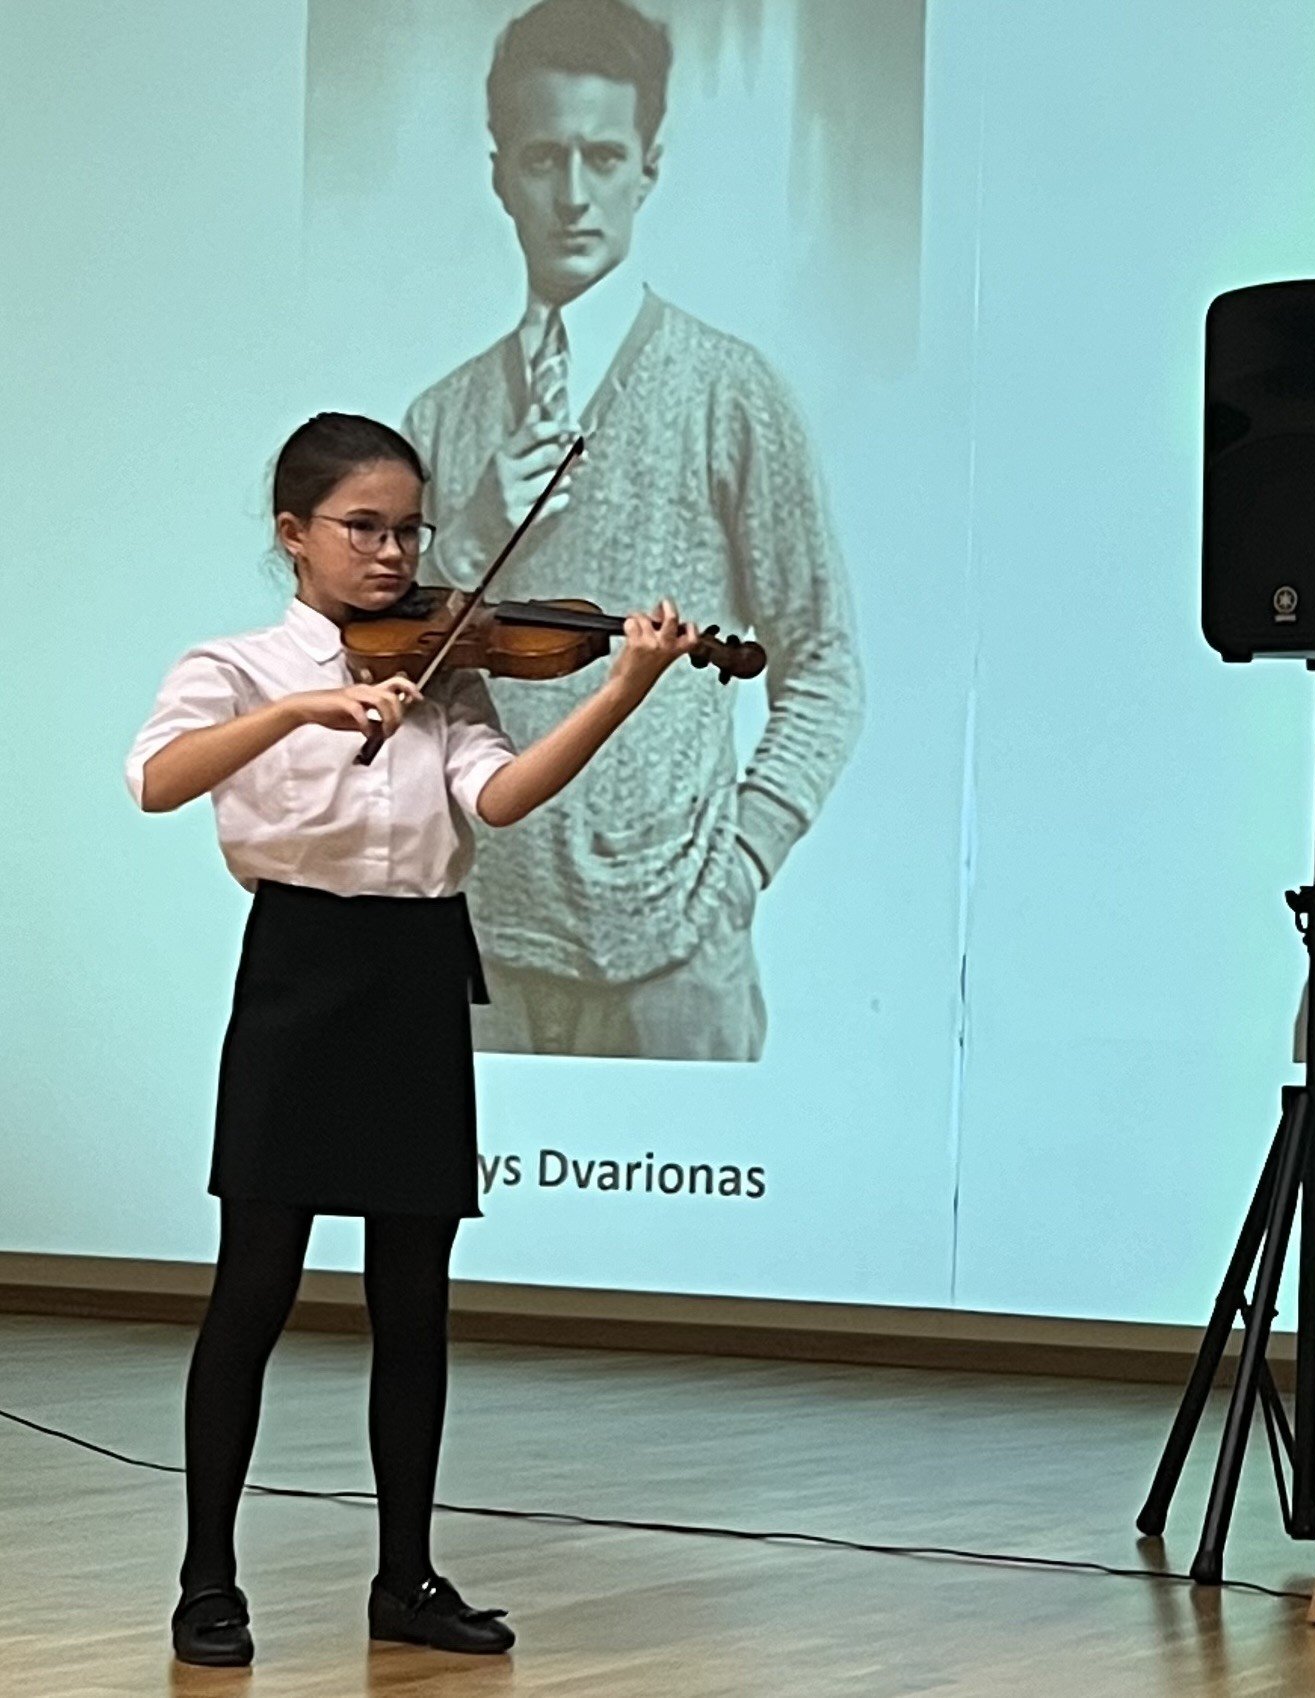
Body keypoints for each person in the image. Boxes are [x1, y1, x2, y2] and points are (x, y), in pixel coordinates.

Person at [124, 411, 699, 1667]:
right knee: (252, 1289)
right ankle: (207, 1581)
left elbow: (498, 797)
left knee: (414, 1298)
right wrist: (303, 710)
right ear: (294, 532)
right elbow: (158, 779)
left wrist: (622, 687)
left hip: (417, 971)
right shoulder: (234, 666)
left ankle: (406, 1578)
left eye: (408, 530)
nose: (392, 554)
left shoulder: (448, 671)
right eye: (363, 528)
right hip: (298, 967)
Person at [403, 0, 863, 1062]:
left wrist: (741, 864)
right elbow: (380, 688)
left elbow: (824, 664)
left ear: (647, 168)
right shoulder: (443, 417)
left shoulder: (728, 392)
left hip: (676, 970)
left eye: (602, 157)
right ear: (499, 174)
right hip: (481, 965)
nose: (573, 194)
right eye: (543, 158)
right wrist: (468, 537)